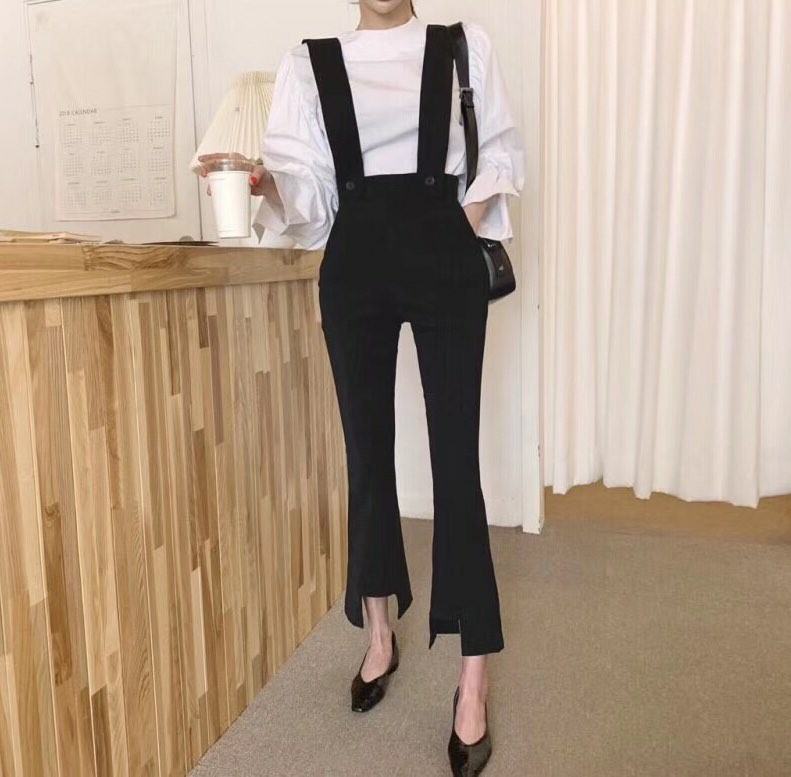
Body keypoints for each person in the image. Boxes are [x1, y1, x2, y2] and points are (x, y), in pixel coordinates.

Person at [201, 1, 523, 774]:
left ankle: (472, 677)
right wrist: (258, 184)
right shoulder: (309, 64)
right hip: (354, 267)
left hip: (444, 260)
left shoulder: (462, 46)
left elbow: (498, 154)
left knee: (456, 467)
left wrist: (451, 229)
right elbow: (310, 200)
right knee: (367, 459)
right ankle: (379, 632)